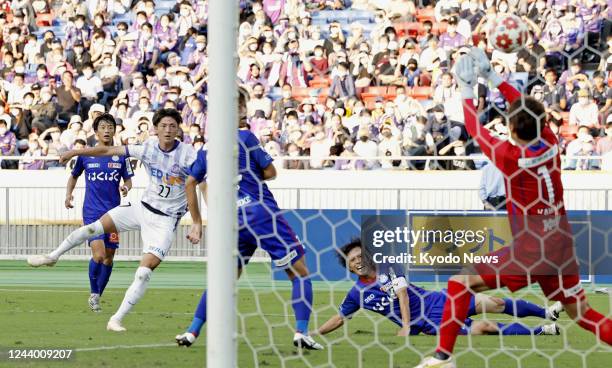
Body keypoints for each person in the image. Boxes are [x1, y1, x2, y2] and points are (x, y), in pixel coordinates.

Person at [415, 49, 612, 368]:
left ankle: (443, 356)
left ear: (513, 130)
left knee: (460, 282)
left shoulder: (510, 157)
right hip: (560, 244)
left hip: (531, 250)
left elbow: (474, 130)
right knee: (583, 313)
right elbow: (529, 111)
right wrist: (493, 77)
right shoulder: (550, 143)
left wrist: (467, 89)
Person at [175, 87, 323, 351]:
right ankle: (301, 332)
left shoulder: (207, 147)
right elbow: (271, 171)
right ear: (241, 111)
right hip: (260, 213)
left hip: (232, 220)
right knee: (300, 274)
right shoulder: (246, 136)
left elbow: (190, 182)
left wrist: (197, 221)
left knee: (223, 280)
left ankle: (191, 332)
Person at [27, 108, 198, 333]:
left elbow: (197, 185)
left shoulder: (189, 154)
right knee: (92, 229)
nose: (167, 130)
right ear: (155, 129)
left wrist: (197, 222)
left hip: (165, 221)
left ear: (178, 129)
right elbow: (106, 150)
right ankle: (52, 256)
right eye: (163, 126)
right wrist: (75, 152)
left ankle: (116, 319)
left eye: (172, 126)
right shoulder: (146, 148)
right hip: (140, 208)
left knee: (144, 271)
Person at [313, 240, 562, 337]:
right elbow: (339, 317)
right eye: (352, 261)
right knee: (483, 328)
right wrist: (313, 334)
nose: (357, 262)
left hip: (437, 299)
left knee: (494, 302)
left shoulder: (388, 265)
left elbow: (401, 295)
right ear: (349, 267)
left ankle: (546, 313)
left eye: (359, 256)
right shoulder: (357, 293)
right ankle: (541, 331)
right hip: (430, 321)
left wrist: (406, 326)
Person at [65, 114, 133, 312]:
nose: (107, 130)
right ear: (96, 131)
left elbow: (128, 180)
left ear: (114, 130)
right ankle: (94, 293)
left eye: (110, 126)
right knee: (99, 254)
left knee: (109, 257)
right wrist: (68, 195)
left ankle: (97, 295)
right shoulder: (86, 154)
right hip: (92, 211)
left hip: (114, 213)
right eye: (103, 126)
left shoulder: (121, 154)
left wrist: (126, 188)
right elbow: (73, 176)